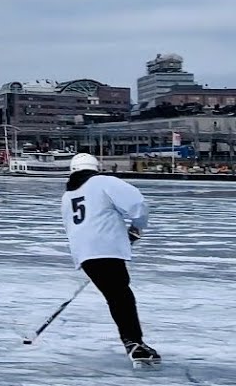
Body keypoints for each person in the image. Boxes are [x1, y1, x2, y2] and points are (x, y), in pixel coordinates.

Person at [61, 153, 160, 364]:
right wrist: (137, 227)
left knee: (116, 296)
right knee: (121, 296)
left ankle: (133, 341)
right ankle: (134, 343)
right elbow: (138, 204)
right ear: (96, 167)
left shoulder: (68, 195)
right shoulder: (103, 181)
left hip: (84, 254)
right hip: (105, 249)